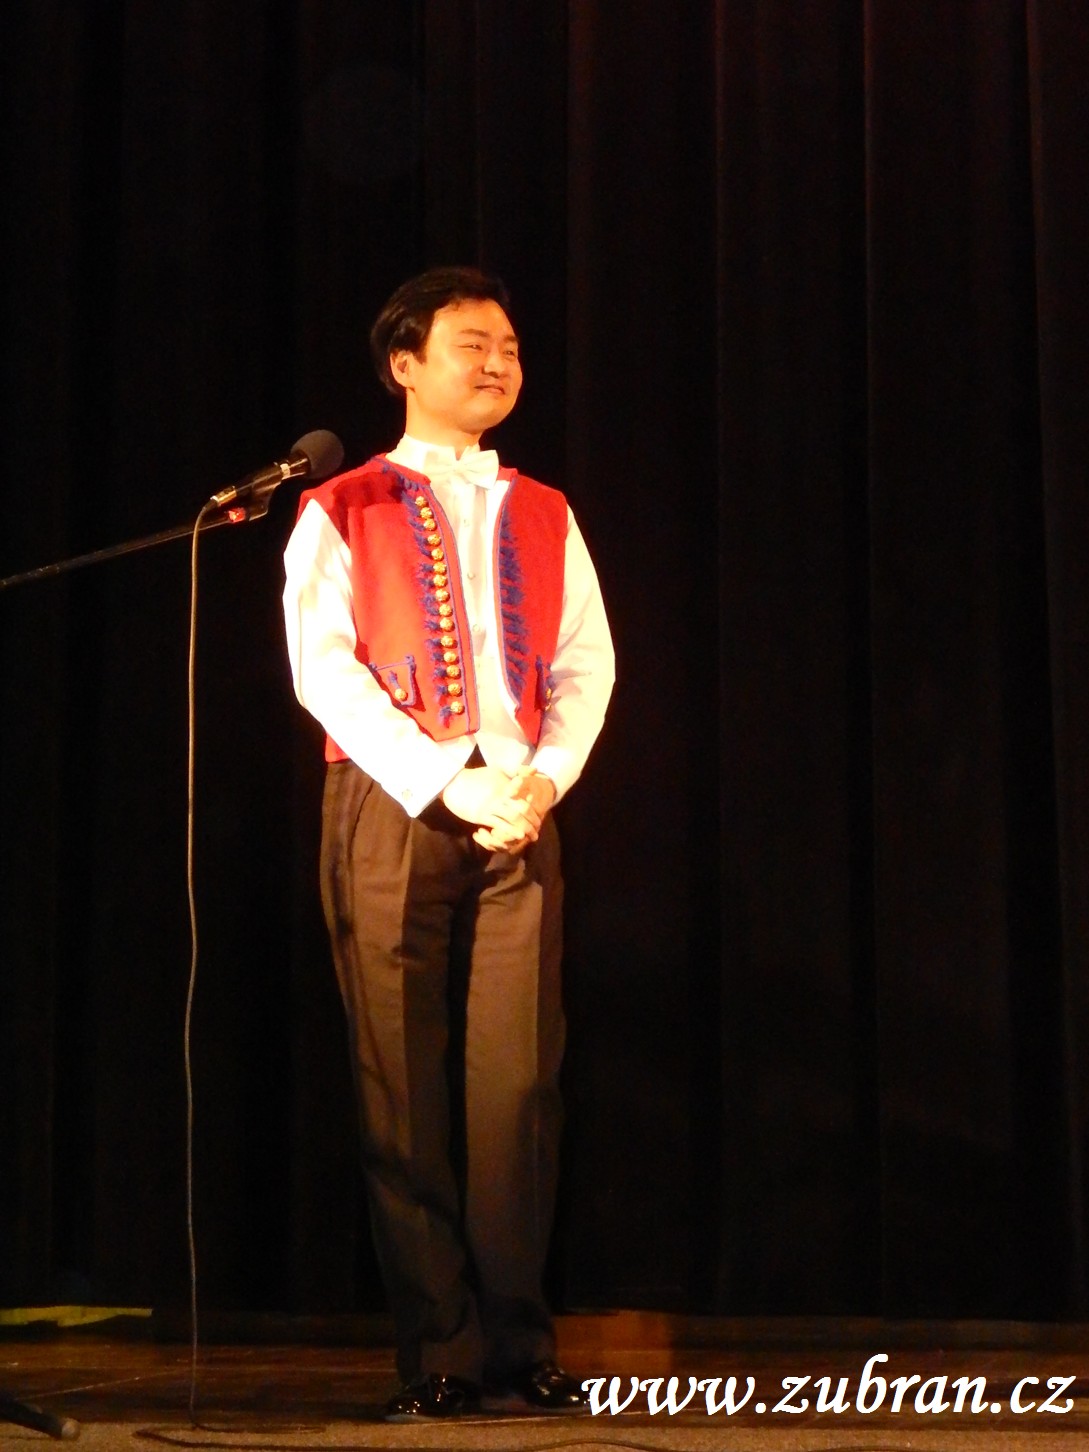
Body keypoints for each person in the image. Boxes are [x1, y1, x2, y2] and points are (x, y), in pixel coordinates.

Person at [282, 266, 615, 1419]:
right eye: (472, 343)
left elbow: (587, 664)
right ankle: (440, 1351)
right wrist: (442, 780)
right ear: (404, 364)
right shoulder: (341, 506)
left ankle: (521, 1343)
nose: (497, 362)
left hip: (518, 806)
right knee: (404, 1090)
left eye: (509, 347)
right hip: (392, 805)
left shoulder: (545, 508)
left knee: (517, 1087)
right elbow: (324, 670)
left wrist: (541, 780)